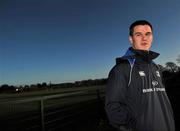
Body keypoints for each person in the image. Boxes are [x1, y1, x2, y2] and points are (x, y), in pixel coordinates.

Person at [105, 20, 175, 131]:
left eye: (148, 34)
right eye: (138, 34)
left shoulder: (155, 67)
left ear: (152, 37)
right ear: (131, 39)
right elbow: (113, 108)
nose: (144, 38)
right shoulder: (121, 69)